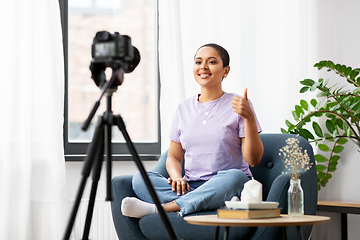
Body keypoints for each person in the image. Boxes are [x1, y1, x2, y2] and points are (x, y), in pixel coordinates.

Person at [121, 43, 264, 218]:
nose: (203, 67)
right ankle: (209, 202)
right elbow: (173, 156)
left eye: (211, 62)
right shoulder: (183, 108)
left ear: (225, 71)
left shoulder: (239, 104)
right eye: (198, 62)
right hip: (190, 186)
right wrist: (176, 177)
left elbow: (254, 160)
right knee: (140, 179)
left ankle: (162, 209)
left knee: (235, 178)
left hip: (225, 183)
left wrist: (248, 117)